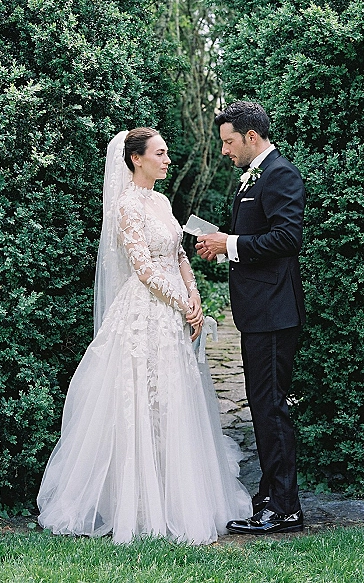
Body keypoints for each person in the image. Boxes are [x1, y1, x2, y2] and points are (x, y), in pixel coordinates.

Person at [37, 127, 251, 544]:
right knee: (142, 399)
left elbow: (177, 255)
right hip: (146, 312)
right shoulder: (127, 205)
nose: (168, 160)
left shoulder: (162, 201)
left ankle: (179, 493)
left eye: (167, 153)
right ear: (137, 159)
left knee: (175, 400)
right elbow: (144, 268)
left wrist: (194, 296)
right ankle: (139, 501)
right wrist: (179, 301)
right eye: (161, 153)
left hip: (174, 309)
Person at [196, 101, 306, 535]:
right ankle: (271, 497)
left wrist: (231, 244)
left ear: (251, 138)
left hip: (275, 311)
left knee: (271, 408)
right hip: (260, 311)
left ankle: (284, 509)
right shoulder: (254, 176)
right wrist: (225, 243)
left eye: (228, 142)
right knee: (264, 407)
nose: (225, 151)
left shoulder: (280, 174)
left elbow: (287, 237)